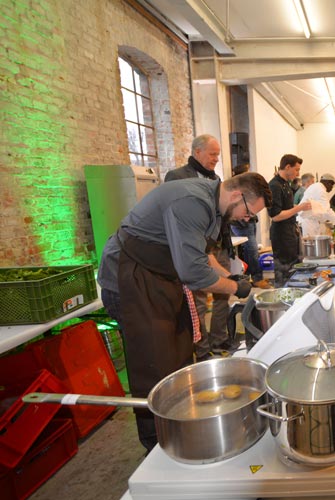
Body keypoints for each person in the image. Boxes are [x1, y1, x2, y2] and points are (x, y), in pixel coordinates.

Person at [97, 172, 271, 451]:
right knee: (152, 361)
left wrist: (232, 278)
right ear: (237, 196)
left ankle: (180, 425)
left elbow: (203, 256)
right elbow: (194, 273)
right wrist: (235, 289)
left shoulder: (212, 203)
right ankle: (156, 443)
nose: (247, 219)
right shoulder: (192, 202)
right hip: (130, 279)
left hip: (158, 278)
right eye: (249, 213)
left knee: (176, 353)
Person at [163, 134, 235, 359]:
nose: (215, 159)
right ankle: (202, 351)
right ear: (197, 152)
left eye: (217, 155)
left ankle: (219, 341)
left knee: (225, 294)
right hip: (196, 247)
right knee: (199, 302)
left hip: (218, 245)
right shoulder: (177, 176)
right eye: (212, 154)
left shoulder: (215, 178)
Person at [269, 154, 311, 285]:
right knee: (284, 272)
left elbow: (286, 207)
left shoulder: (286, 184)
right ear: (287, 167)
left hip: (290, 231)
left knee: (295, 268)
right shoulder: (274, 185)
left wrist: (301, 207)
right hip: (281, 235)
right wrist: (298, 208)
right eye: (296, 169)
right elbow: (276, 215)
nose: (298, 173)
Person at [229, 164, 273, 290]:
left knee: (252, 250)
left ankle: (253, 277)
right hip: (241, 225)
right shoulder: (236, 197)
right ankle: (256, 278)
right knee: (251, 249)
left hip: (249, 224)